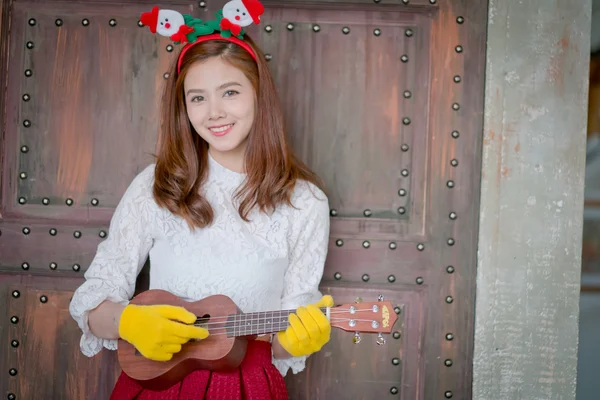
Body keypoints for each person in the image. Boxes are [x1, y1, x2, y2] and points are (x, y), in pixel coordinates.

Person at [68, 2, 333, 399]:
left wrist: (297, 341)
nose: (214, 112)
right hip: (156, 385)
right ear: (184, 107)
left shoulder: (304, 202)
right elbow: (93, 302)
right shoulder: (156, 185)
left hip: (248, 387)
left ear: (260, 95)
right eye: (197, 98)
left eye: (230, 92)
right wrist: (128, 322)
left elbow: (286, 335)